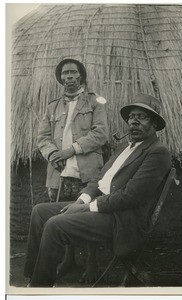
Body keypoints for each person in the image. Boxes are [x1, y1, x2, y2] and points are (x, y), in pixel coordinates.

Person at [24, 93, 171, 287]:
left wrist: (85, 209)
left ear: (154, 124)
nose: (134, 122)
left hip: (122, 219)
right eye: (131, 117)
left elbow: (130, 197)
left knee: (54, 224)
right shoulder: (124, 147)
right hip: (104, 207)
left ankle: (40, 287)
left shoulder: (157, 152)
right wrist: (81, 201)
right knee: (40, 211)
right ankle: (31, 277)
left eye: (142, 117)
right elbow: (100, 180)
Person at [37, 58, 108, 275]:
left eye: (73, 73)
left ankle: (91, 262)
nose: (68, 77)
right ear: (60, 78)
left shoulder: (95, 102)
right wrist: (52, 155)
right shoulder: (52, 107)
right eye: (64, 74)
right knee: (61, 214)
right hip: (60, 172)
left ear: (81, 76)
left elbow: (101, 133)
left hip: (87, 170)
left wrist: (71, 150)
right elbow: (43, 137)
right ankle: (68, 259)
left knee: (88, 215)